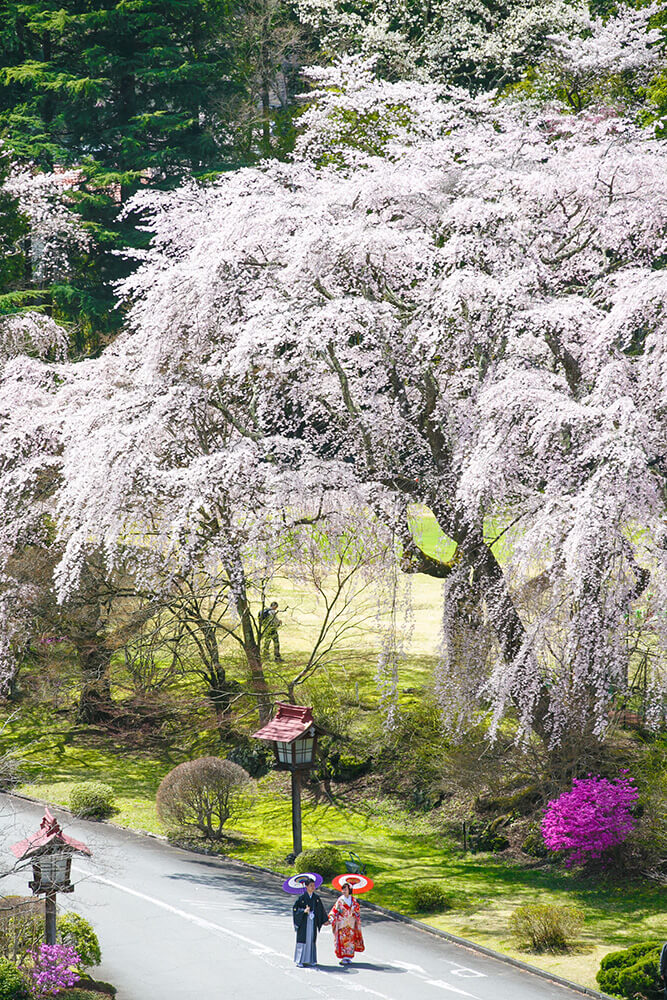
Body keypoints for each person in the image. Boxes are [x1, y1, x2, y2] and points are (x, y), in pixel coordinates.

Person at [293, 878, 327, 968]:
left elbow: (321, 910)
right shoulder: (301, 898)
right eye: (311, 885)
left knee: (311, 939)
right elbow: (295, 909)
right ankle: (299, 960)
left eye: (313, 885)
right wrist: (303, 911)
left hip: (312, 921)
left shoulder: (316, 898)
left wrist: (324, 920)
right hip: (304, 921)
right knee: (303, 939)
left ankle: (311, 959)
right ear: (306, 886)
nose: (313, 887)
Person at [328, 881, 365, 966]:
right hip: (342, 923)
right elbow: (335, 910)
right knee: (343, 940)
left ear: (349, 890)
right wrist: (331, 918)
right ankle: (344, 957)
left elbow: (357, 910)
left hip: (351, 923)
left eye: (346, 889)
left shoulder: (353, 900)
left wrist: (355, 914)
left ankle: (349, 957)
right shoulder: (340, 900)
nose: (344, 891)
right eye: (343, 889)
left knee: (350, 940)